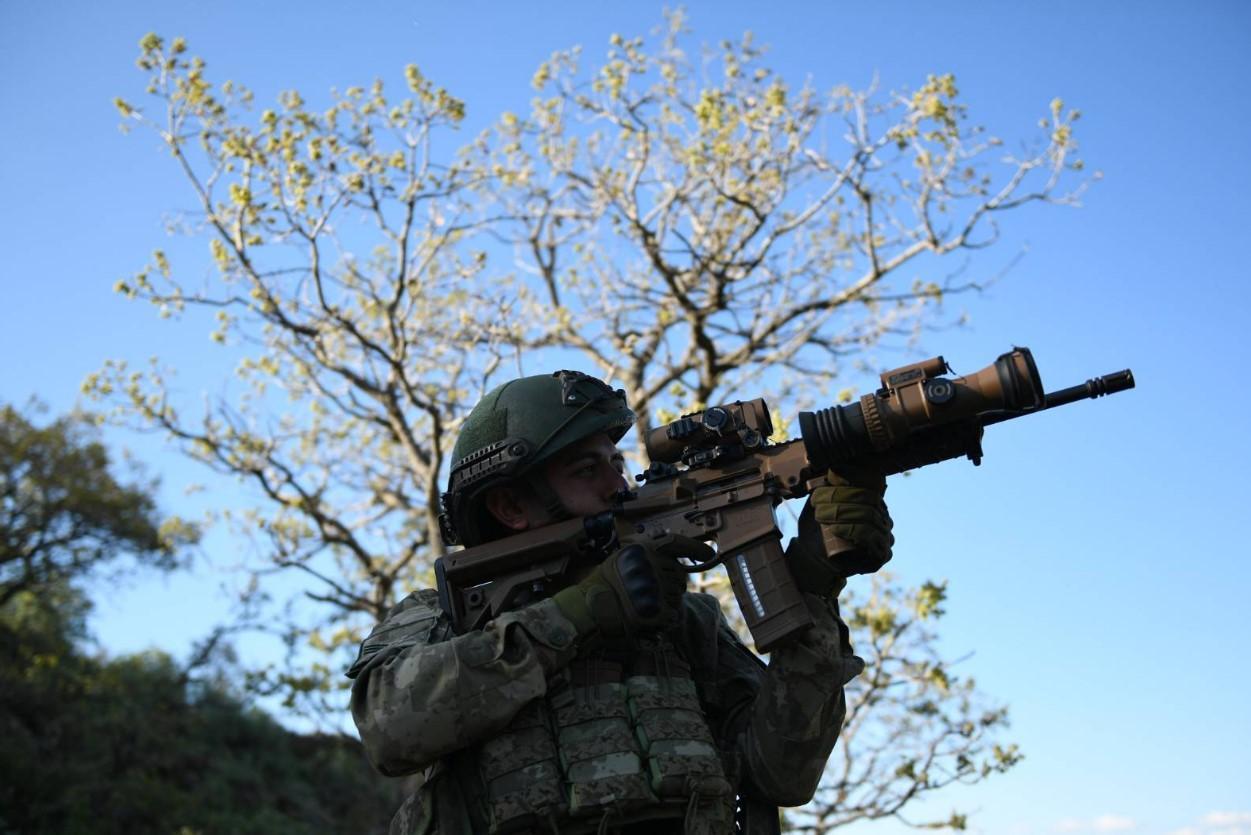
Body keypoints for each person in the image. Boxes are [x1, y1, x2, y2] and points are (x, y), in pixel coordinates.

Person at [348, 370, 894, 835]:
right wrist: (578, 613)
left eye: (616, 461)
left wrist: (817, 587)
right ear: (511, 506)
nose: (620, 484)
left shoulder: (683, 624)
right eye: (588, 470)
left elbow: (783, 773)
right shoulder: (442, 617)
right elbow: (392, 727)